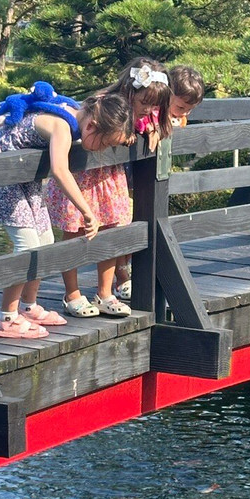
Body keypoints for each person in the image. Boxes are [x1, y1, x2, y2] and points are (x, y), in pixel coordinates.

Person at [0, 83, 133, 338]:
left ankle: (29, 306)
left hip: (24, 181)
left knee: (46, 242)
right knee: (26, 248)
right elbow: (59, 170)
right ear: (91, 127)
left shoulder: (75, 113)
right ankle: (7, 318)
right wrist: (86, 211)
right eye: (103, 144)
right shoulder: (62, 127)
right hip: (3, 179)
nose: (101, 150)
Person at [49, 58, 173, 315]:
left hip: (109, 176)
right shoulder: (104, 103)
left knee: (113, 226)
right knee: (74, 229)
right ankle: (71, 294)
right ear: (130, 91)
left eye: (153, 106)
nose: (148, 110)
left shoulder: (143, 114)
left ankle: (104, 293)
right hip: (82, 175)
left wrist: (152, 128)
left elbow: (154, 123)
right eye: (144, 104)